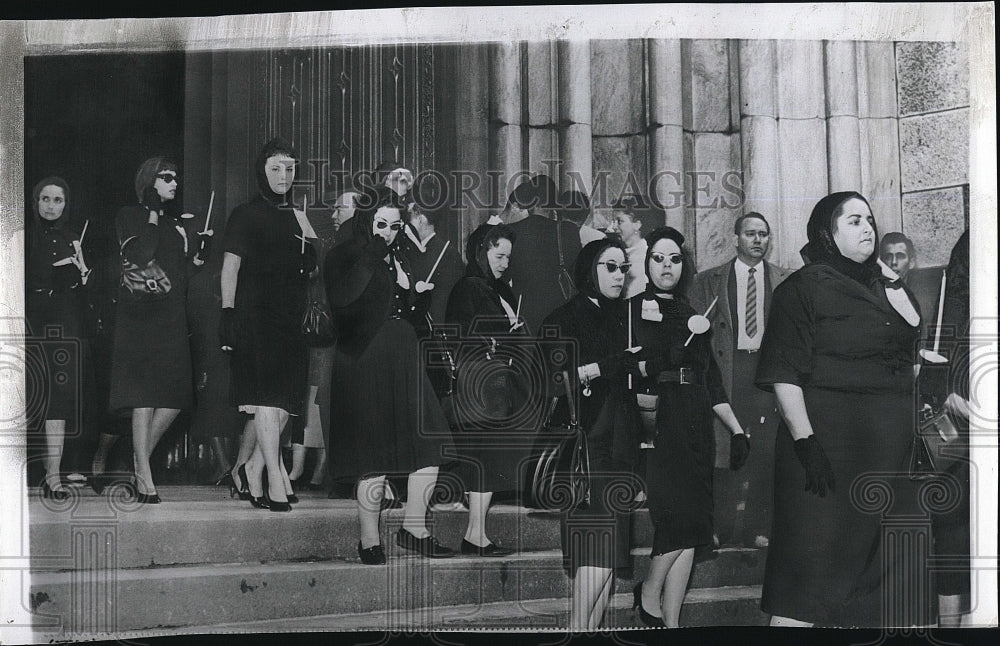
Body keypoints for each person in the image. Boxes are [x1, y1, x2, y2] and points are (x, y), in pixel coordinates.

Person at [755, 191, 924, 627]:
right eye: (853, 221)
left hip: (884, 462)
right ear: (826, 234)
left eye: (870, 219)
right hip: (824, 461)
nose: (868, 227)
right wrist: (806, 442)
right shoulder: (801, 288)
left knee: (876, 597)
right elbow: (784, 373)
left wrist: (886, 277)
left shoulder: (882, 288)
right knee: (806, 593)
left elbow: (912, 326)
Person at [324, 185, 454, 564]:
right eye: (382, 224)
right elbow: (345, 300)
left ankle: (415, 527)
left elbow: (400, 306)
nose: (389, 233)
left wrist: (417, 297)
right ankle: (369, 539)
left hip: (402, 351)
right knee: (373, 455)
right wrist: (374, 255)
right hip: (364, 357)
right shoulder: (343, 254)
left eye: (396, 226)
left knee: (431, 445)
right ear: (366, 220)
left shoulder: (401, 255)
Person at [631, 226, 749, 627]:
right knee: (677, 520)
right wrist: (670, 350)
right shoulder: (635, 308)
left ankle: (672, 620)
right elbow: (637, 365)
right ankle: (648, 592)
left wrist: (736, 430)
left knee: (696, 525)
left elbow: (712, 380)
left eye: (675, 259)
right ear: (646, 263)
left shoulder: (691, 312)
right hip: (661, 417)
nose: (667, 267)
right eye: (659, 259)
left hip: (697, 416)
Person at [540, 238, 642, 629]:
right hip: (587, 444)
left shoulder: (621, 318)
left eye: (623, 268)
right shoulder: (563, 318)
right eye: (610, 267)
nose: (619, 276)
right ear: (589, 271)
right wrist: (604, 367)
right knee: (597, 553)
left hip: (620, 443)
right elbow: (550, 381)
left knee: (610, 557)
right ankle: (576, 629)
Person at [108, 157, 212, 503]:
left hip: (170, 318)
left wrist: (196, 260)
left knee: (176, 398)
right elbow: (140, 254)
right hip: (140, 319)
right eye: (166, 177)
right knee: (144, 397)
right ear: (149, 181)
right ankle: (144, 476)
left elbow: (177, 277)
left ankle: (137, 461)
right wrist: (151, 213)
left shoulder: (174, 224)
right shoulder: (130, 215)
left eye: (175, 178)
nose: (174, 183)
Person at [220, 137, 314, 512]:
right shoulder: (244, 214)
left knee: (283, 407)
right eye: (275, 168)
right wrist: (227, 313)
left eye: (289, 168)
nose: (283, 175)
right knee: (264, 401)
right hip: (255, 316)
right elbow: (231, 267)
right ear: (262, 171)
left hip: (291, 319)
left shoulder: (298, 215)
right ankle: (276, 476)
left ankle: (254, 469)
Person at [689, 212, 792, 548]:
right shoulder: (709, 280)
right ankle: (720, 527)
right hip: (729, 369)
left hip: (766, 372)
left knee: (766, 449)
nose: (758, 240)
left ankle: (757, 528)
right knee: (726, 448)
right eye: (750, 234)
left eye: (763, 234)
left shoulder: (783, 279)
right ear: (736, 239)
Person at [444, 222, 530, 556]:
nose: (505, 263)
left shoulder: (494, 289)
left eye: (509, 257)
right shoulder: (471, 287)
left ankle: (476, 533)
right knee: (483, 458)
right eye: (499, 255)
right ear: (482, 250)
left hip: (492, 383)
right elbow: (469, 336)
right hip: (478, 384)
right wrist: (510, 333)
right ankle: (475, 535)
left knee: (487, 459)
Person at [25, 176, 92, 499]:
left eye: (58, 200)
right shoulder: (20, 236)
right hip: (28, 324)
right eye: (45, 199)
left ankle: (53, 476)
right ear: (35, 201)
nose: (51, 206)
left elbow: (83, 291)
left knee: (58, 400)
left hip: (64, 327)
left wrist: (80, 276)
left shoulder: (72, 239)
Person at [920, 229, 971, 627]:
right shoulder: (954, 301)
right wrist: (952, 397)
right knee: (952, 526)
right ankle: (949, 627)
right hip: (960, 432)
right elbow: (940, 365)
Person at [503, 175, 582, 334]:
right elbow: (578, 275)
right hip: (562, 313)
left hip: (525, 316)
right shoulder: (568, 231)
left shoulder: (511, 231)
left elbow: (503, 279)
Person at [607, 194, 650, 299]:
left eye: (619, 221)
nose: (613, 227)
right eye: (613, 222)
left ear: (637, 225)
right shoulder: (618, 253)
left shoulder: (646, 255)